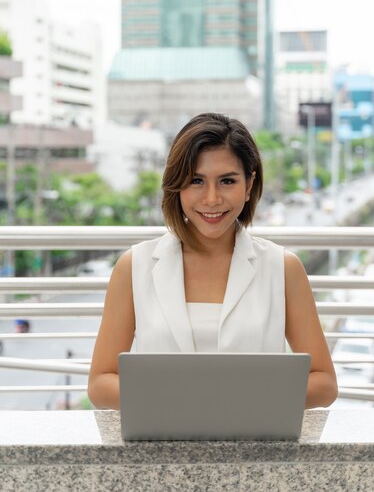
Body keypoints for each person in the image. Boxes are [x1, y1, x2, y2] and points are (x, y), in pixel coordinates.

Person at [88, 113, 337, 410]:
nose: (211, 199)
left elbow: (324, 383)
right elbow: (100, 383)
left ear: (248, 185)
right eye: (196, 180)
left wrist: (235, 403)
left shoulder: (283, 268)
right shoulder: (135, 266)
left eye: (227, 181)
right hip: (161, 445)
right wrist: (189, 403)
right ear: (176, 185)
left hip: (255, 445)